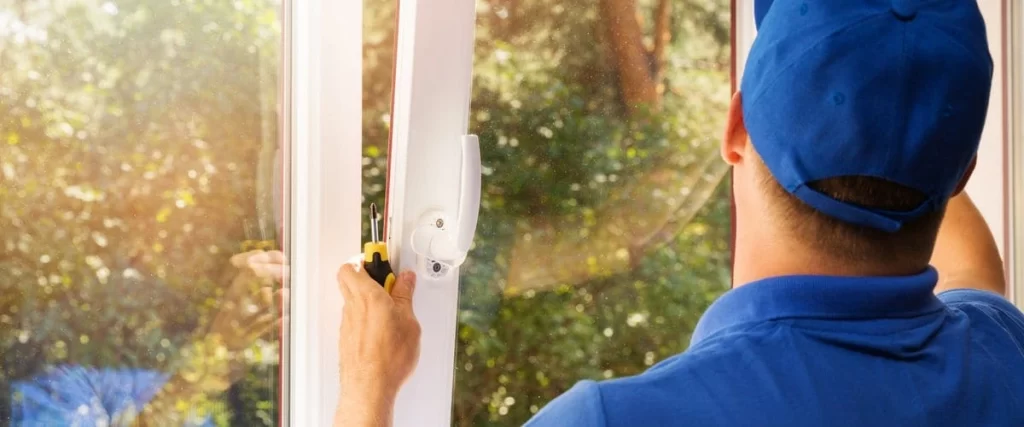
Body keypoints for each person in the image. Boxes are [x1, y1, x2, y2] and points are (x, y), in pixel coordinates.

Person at [334, 0, 1024, 425]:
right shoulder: (1002, 354)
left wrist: (369, 391)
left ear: (734, 128)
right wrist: (907, 125)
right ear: (960, 169)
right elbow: (974, 275)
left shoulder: (615, 421)